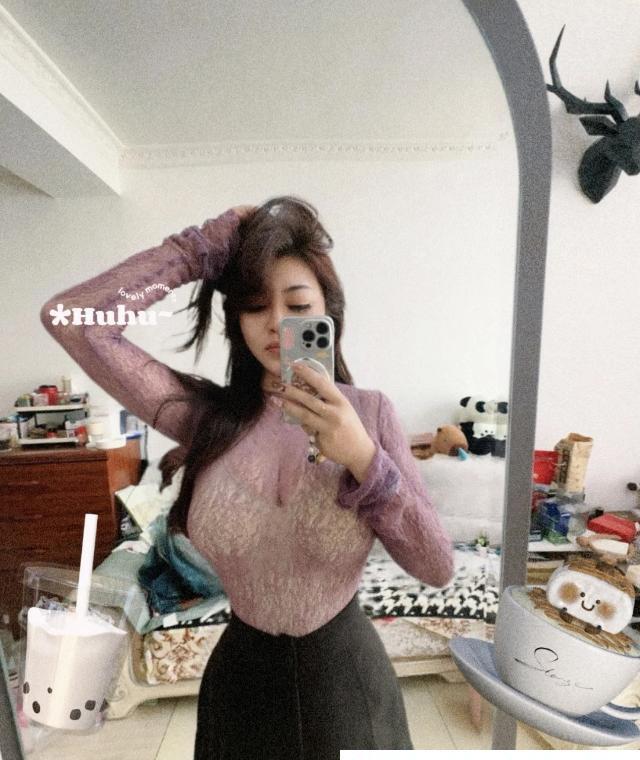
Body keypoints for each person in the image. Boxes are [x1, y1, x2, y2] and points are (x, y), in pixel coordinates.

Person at [40, 196, 454, 759]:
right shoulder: (204, 418)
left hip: (345, 687)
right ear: (235, 319)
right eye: (255, 305)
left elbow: (436, 567)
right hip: (241, 687)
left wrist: (364, 458)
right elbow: (72, 320)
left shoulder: (372, 414)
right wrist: (194, 251)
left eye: (297, 304)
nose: (277, 323)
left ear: (327, 313)